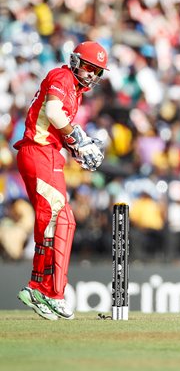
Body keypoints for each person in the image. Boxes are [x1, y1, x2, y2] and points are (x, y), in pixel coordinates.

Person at [14, 41, 108, 320]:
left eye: (97, 71)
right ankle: (43, 289)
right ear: (76, 61)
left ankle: (44, 289)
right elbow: (54, 114)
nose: (91, 74)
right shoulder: (62, 76)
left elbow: (57, 124)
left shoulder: (76, 90)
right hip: (38, 152)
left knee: (60, 220)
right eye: (89, 67)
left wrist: (74, 147)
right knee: (58, 218)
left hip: (49, 154)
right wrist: (78, 139)